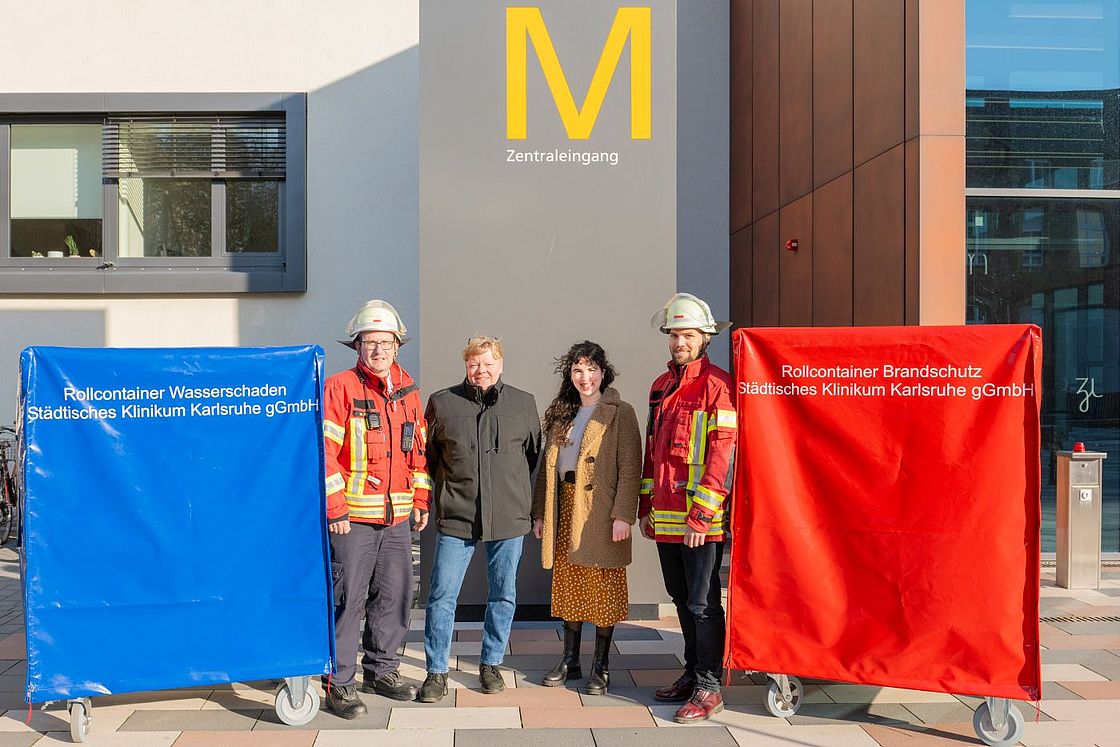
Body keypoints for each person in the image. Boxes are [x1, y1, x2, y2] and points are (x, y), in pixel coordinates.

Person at [320, 299, 432, 718]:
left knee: (395, 596)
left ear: (398, 345)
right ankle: (340, 683)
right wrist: (336, 509)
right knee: (348, 601)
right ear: (357, 346)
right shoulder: (340, 387)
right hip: (352, 521)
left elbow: (418, 455)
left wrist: (420, 500)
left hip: (398, 519)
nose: (378, 350)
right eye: (370, 342)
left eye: (386, 342)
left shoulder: (409, 390)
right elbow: (325, 453)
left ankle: (382, 670)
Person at [418, 336, 541, 702]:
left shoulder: (523, 403)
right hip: (458, 514)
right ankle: (436, 671)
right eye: (474, 364)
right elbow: (429, 457)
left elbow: (531, 456)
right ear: (465, 366)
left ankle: (491, 664)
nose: (481, 370)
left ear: (501, 364)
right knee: (441, 595)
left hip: (508, 515)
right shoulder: (442, 403)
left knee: (503, 594)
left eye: (488, 363)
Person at [639, 293, 737, 723]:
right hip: (665, 516)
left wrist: (701, 514)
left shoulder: (718, 386)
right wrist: (646, 507)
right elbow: (652, 454)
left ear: (705, 338)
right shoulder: (660, 388)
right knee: (680, 598)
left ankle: (709, 686)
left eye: (688, 334)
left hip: (700, 520)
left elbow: (723, 454)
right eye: (675, 334)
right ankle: (692, 671)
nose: (680, 341)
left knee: (702, 604)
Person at [531, 341, 642, 695]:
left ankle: (602, 665)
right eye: (578, 370)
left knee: (602, 585)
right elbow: (546, 470)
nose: (585, 377)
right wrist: (540, 513)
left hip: (599, 512)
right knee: (569, 583)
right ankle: (570, 660)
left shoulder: (619, 411)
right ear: (571, 375)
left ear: (603, 373)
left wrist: (623, 514)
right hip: (564, 505)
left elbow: (631, 468)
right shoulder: (563, 412)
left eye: (591, 369)